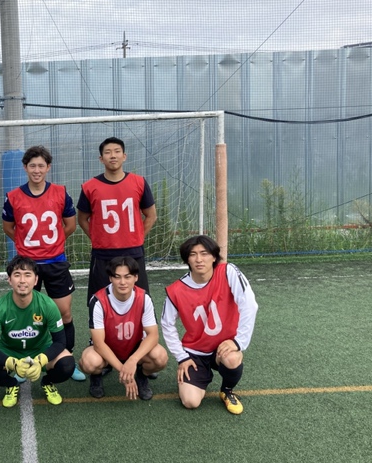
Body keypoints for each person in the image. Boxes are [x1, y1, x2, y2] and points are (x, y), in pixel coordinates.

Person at [1, 145, 85, 381]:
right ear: (25, 167)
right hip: (28, 265)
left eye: (41, 166)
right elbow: (8, 228)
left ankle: (67, 357)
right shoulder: (13, 197)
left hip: (55, 261)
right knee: (27, 315)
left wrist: (52, 244)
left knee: (64, 313)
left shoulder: (60, 192)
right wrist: (28, 247)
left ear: (48, 167)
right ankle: (25, 361)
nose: (36, 170)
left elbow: (70, 225)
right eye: (32, 166)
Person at [161, 235, 259, 415]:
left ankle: (227, 390)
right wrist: (181, 357)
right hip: (195, 352)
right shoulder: (176, 290)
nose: (199, 259)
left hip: (223, 346)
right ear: (187, 259)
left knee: (232, 358)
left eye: (204, 253)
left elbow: (249, 305)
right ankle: (198, 379)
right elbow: (167, 324)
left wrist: (238, 342)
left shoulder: (227, 272)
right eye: (193, 254)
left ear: (214, 256)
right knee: (190, 402)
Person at [0, 256, 76, 408]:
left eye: (27, 275)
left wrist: (41, 360)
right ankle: (11, 384)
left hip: (40, 349)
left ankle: (48, 382)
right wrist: (11, 363)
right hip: (9, 350)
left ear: (36, 280)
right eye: (17, 275)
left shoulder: (48, 305)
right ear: (9, 280)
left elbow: (60, 342)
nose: (22, 280)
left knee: (68, 364)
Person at [76, 136, 157, 304]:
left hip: (133, 252)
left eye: (117, 151)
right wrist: (97, 238)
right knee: (99, 301)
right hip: (103, 254)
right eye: (108, 152)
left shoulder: (139, 182)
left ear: (124, 156)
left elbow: (151, 215)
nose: (113, 155)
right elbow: (82, 219)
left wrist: (138, 237)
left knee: (140, 301)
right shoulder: (90, 187)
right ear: (101, 158)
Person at [79, 256, 168, 400]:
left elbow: (153, 335)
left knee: (160, 357)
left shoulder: (144, 298)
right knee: (89, 362)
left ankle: (142, 375)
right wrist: (124, 371)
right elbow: (99, 344)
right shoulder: (98, 301)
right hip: (107, 348)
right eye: (117, 277)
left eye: (127, 277)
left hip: (134, 347)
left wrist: (133, 361)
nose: (122, 282)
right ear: (110, 278)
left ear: (136, 277)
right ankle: (96, 376)